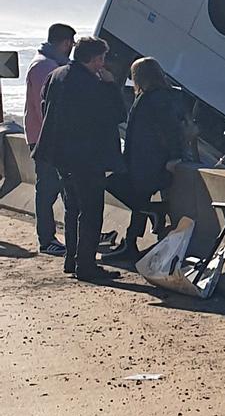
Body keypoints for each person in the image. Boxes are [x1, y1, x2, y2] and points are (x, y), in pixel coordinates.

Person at [34, 36, 126, 282]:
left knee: (72, 207)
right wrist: (111, 85)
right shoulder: (92, 85)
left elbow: (45, 107)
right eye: (102, 58)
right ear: (94, 59)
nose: (103, 64)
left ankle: (71, 259)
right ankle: (86, 266)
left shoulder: (57, 75)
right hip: (87, 157)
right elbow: (117, 114)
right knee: (91, 211)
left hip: (61, 155)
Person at [104, 58, 192, 265]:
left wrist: (173, 158)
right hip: (146, 158)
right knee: (138, 198)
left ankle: (153, 213)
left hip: (148, 160)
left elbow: (170, 130)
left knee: (117, 186)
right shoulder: (161, 96)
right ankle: (131, 242)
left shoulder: (155, 98)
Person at [22, 22, 74, 256]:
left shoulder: (44, 62)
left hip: (44, 137)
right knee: (48, 189)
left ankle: (74, 230)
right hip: (46, 139)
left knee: (63, 187)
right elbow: (45, 108)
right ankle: (47, 239)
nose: (72, 47)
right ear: (64, 43)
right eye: (71, 43)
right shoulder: (46, 67)